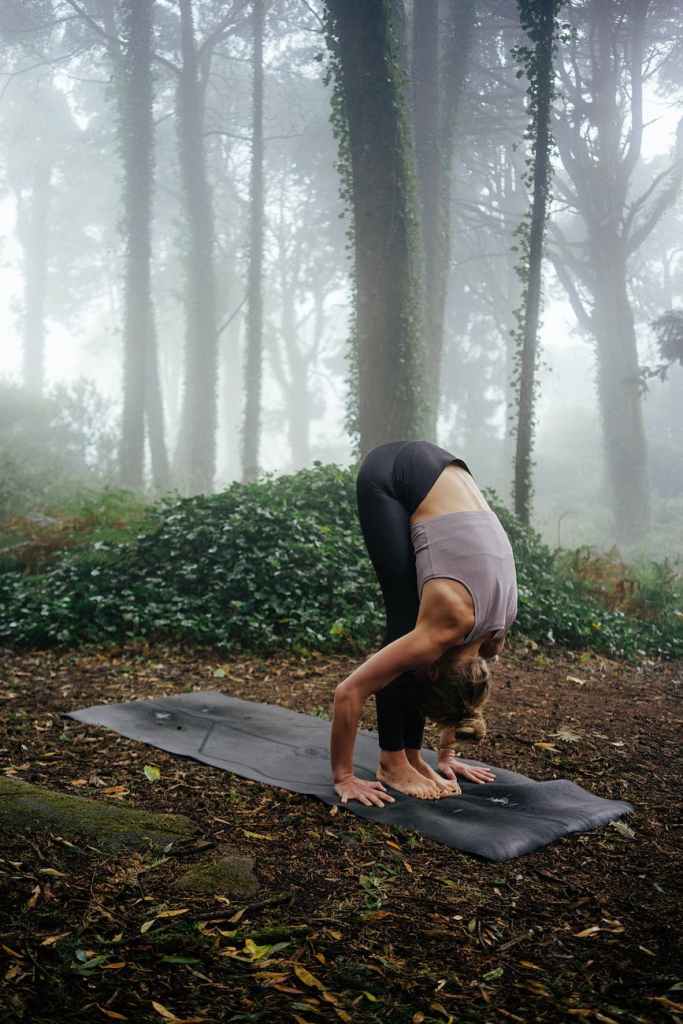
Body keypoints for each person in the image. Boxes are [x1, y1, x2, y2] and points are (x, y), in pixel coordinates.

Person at [331, 440, 518, 807]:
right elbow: (348, 693)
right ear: (431, 673)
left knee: (412, 639)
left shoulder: (495, 634)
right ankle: (392, 761)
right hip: (391, 474)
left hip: (446, 469)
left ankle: (413, 757)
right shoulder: (445, 624)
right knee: (403, 628)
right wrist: (345, 777)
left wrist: (445, 756)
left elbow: (465, 690)